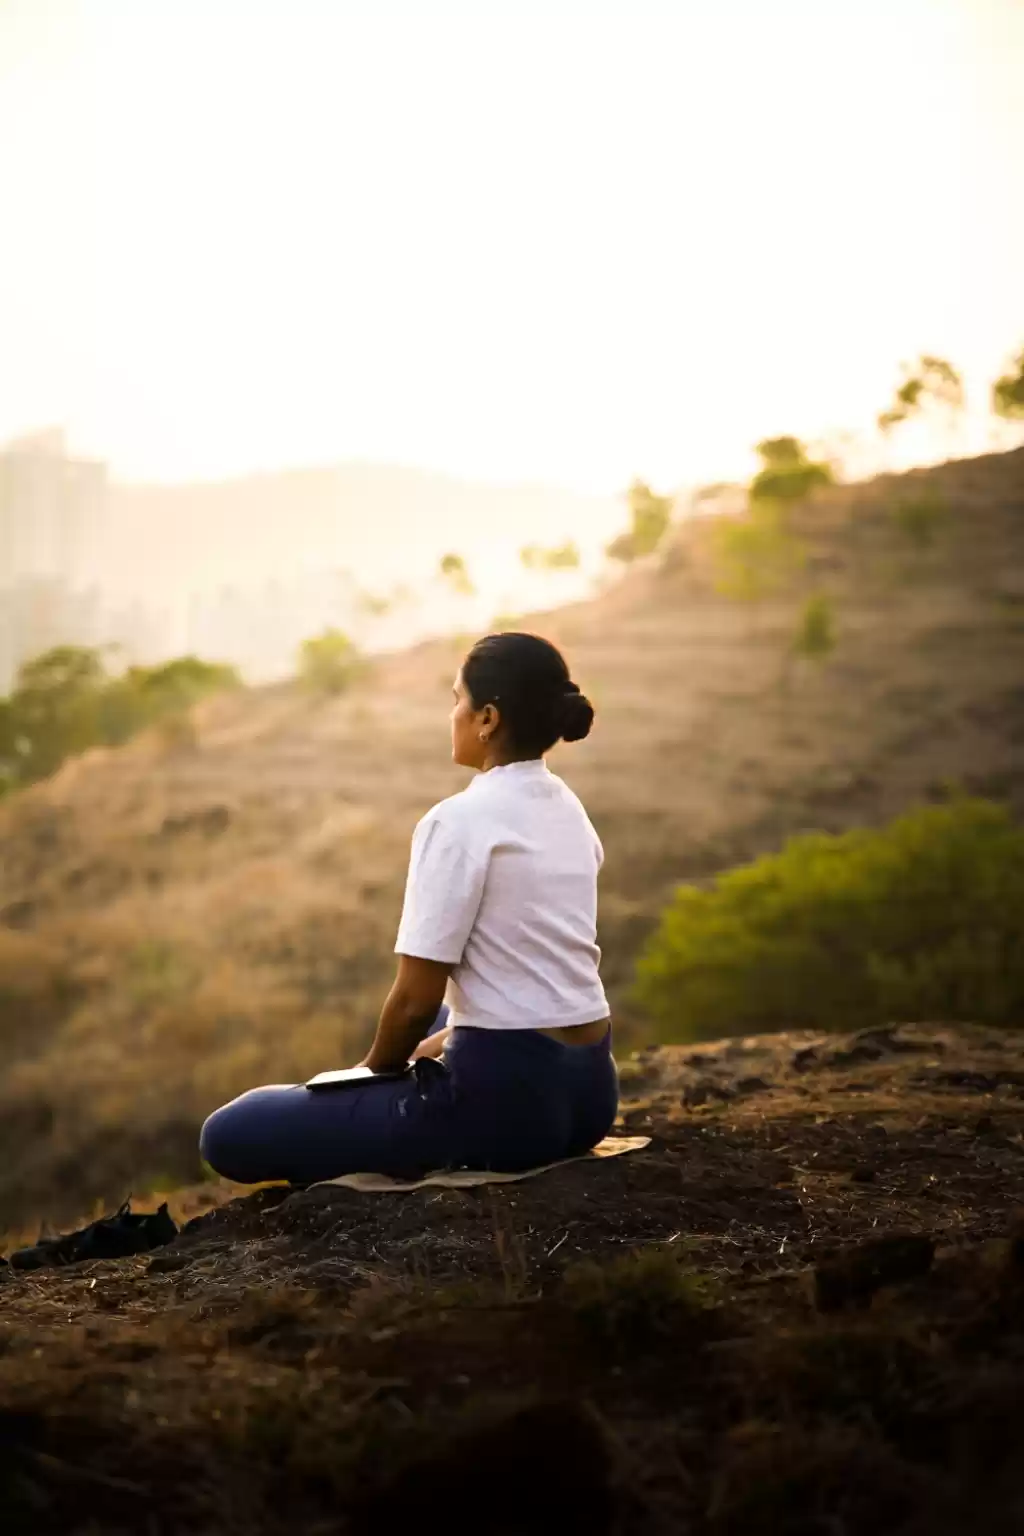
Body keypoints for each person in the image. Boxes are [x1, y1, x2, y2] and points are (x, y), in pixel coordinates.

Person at [199, 631, 617, 1184]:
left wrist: (370, 1076)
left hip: (509, 1115)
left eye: (456, 701)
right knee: (451, 1016)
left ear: (487, 718)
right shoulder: (569, 809)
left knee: (231, 1130)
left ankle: (377, 1103)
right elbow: (535, 982)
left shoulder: (458, 822)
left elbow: (413, 1001)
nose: (453, 716)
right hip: (588, 1094)